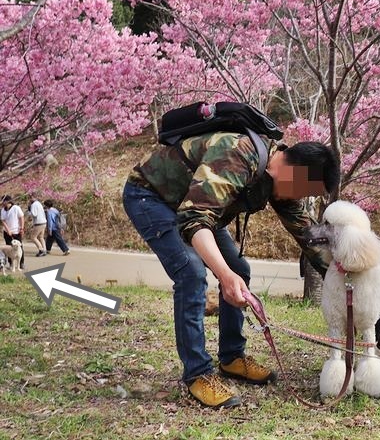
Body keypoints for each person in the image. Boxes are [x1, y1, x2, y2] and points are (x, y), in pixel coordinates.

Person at [123, 130, 339, 409]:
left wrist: (345, 278)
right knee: (191, 272)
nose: (301, 198)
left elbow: (309, 235)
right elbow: (195, 219)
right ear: (295, 171)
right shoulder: (236, 154)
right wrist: (224, 276)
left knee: (239, 267)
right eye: (306, 191)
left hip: (193, 205)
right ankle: (197, 373)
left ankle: (231, 357)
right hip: (152, 196)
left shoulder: (278, 176)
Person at [1, 195, 25, 270]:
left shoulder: (16, 208)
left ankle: (21, 263)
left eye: (3, 201)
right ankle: (11, 264)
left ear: (8, 201)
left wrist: (21, 228)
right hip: (7, 232)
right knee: (9, 248)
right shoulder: (3, 210)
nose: (2, 203)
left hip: (16, 231)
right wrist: (8, 230)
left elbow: (21, 217)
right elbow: (3, 221)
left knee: (19, 247)